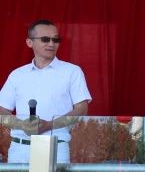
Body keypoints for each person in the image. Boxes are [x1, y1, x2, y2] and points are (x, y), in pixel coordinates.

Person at [0, 19, 92, 163]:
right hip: (20, 148)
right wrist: (21, 125)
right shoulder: (17, 74)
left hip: (56, 146)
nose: (51, 44)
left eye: (56, 40)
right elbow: (1, 110)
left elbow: (82, 109)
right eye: (45, 39)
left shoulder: (72, 71)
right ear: (29, 42)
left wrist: (49, 125)